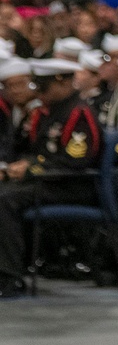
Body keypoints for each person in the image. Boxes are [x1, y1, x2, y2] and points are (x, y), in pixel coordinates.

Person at [0, 58, 101, 298]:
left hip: (71, 185)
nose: (39, 93)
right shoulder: (47, 112)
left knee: (4, 200)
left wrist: (31, 168)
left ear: (63, 82)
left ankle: (9, 277)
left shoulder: (78, 113)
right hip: (47, 181)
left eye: (43, 87)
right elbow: (31, 150)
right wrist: (14, 167)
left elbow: (77, 162)